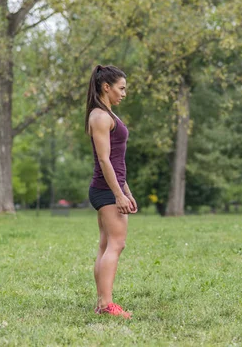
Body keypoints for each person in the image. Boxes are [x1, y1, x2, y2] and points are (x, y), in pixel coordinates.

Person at [85, 64, 138, 317]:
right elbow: (105, 160)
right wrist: (118, 194)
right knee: (116, 244)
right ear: (106, 87)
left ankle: (101, 303)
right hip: (106, 190)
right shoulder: (100, 116)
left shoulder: (108, 114)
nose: (124, 93)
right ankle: (107, 305)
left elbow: (117, 161)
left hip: (111, 187)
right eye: (121, 88)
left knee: (107, 244)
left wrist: (126, 191)